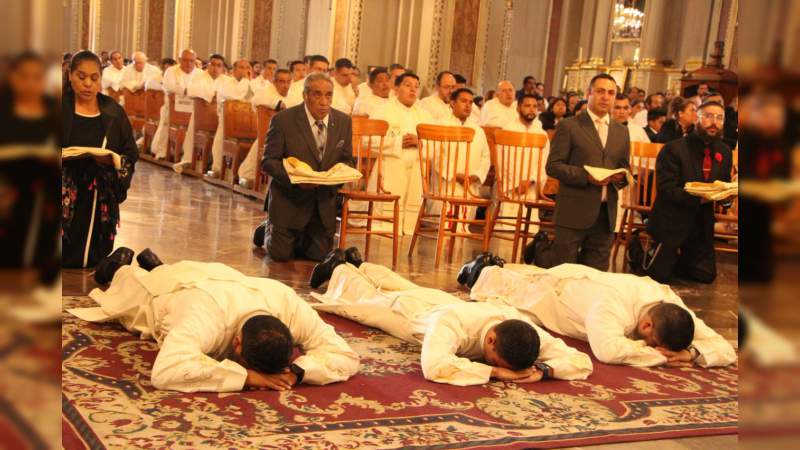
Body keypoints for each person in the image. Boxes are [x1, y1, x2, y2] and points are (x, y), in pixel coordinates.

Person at [68, 248, 359, 392]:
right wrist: (247, 377)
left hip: (223, 278)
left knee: (166, 276)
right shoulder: (205, 317)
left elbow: (345, 354)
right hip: (175, 291)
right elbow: (167, 370)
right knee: (133, 293)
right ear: (236, 342)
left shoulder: (288, 305)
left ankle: (155, 265)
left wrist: (298, 370)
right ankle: (118, 267)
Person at [310, 255, 593, 386]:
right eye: (493, 360)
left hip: (441, 301)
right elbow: (434, 366)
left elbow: (581, 361)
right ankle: (341, 268)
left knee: (407, 286)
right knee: (362, 303)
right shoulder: (451, 323)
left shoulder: (520, 328)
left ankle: (361, 264)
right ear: (491, 339)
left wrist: (544, 370)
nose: (490, 364)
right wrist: (496, 373)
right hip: (409, 314)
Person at [465, 260, 736, 368]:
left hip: (589, 281)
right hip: (556, 292)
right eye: (653, 341)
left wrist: (691, 353)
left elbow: (727, 349)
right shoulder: (611, 306)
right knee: (493, 282)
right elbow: (607, 351)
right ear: (647, 323)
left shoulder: (671, 305)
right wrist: (660, 356)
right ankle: (480, 267)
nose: (652, 346)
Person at [254, 73, 354, 261]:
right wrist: (296, 179)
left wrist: (336, 176)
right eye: (317, 95)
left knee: (318, 256)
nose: (324, 102)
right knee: (281, 255)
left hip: (322, 206)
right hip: (289, 201)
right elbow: (268, 162)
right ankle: (266, 230)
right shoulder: (283, 121)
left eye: (329, 95)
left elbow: (348, 160)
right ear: (305, 95)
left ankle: (298, 238)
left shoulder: (343, 122)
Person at [545, 73, 630, 271]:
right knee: (563, 274)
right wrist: (586, 177)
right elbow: (554, 165)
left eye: (611, 93)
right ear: (589, 93)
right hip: (573, 210)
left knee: (595, 278)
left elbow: (625, 167)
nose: (605, 97)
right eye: (600, 91)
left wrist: (621, 177)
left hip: (605, 213)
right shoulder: (570, 125)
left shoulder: (621, 131)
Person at [61, 51, 138, 268]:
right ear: (70, 76)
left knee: (93, 255)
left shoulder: (113, 111)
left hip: (100, 188)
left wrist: (114, 162)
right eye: (81, 77)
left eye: (94, 78)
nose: (88, 84)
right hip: (63, 188)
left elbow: (129, 152)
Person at [645, 101, 733, 284]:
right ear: (697, 118)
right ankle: (639, 252)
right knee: (659, 276)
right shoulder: (674, 149)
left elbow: (722, 184)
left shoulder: (724, 151)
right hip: (672, 219)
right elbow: (666, 189)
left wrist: (727, 198)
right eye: (708, 116)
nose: (714, 122)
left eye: (719, 118)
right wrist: (700, 198)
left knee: (705, 276)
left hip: (702, 223)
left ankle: (682, 260)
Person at [370, 72, 434, 235]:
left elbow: (437, 146)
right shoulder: (383, 111)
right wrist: (399, 142)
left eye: (416, 87)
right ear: (396, 88)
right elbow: (369, 140)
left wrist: (420, 143)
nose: (413, 90)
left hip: (416, 166)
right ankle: (386, 226)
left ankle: (410, 227)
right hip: (391, 165)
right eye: (407, 85)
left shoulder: (425, 115)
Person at [497, 94, 551, 232]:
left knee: (529, 230)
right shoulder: (508, 130)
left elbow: (544, 162)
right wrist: (515, 184)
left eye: (535, 106)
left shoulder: (541, 134)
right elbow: (502, 162)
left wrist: (531, 180)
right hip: (510, 188)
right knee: (507, 229)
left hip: (531, 187)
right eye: (527, 106)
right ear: (518, 108)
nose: (532, 110)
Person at [172, 54, 227, 173]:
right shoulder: (199, 77)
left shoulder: (226, 80)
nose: (215, 68)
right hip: (202, 116)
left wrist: (219, 97)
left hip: (220, 117)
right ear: (208, 65)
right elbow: (191, 90)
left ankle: (219, 166)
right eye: (213, 65)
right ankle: (189, 158)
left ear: (223, 68)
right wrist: (210, 97)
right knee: (194, 123)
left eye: (219, 66)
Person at [238, 68, 293, 187]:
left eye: (288, 82)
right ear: (275, 82)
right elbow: (257, 99)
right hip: (269, 136)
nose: (285, 85)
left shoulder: (294, 93)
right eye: (282, 82)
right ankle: (247, 176)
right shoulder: (266, 91)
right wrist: (279, 104)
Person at [207, 59, 253, 177]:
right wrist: (246, 81)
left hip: (248, 123)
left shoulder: (251, 84)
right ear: (234, 70)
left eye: (247, 68)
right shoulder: (225, 83)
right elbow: (237, 97)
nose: (245, 71)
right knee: (222, 133)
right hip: (228, 121)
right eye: (241, 68)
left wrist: (249, 82)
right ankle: (218, 168)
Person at [151, 49, 198, 159]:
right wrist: (185, 91)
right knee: (167, 117)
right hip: (172, 106)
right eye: (186, 60)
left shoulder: (200, 73)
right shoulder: (171, 71)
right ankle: (162, 151)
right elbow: (168, 87)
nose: (189, 64)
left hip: (193, 108)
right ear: (180, 60)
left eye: (192, 61)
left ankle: (189, 154)